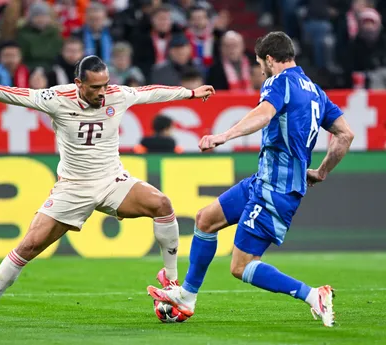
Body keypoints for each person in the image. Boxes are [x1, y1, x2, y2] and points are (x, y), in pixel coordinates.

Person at [0, 55, 215, 325]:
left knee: (162, 204)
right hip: (73, 189)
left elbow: (152, 92)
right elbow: (9, 93)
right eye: (95, 87)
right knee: (29, 247)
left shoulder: (118, 94)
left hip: (112, 181)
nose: (102, 92)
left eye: (105, 85)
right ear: (78, 83)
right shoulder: (56, 99)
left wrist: (190, 93)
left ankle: (170, 279)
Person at [147, 31, 355, 328]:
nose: (260, 69)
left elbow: (263, 114)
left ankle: (313, 295)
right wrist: (321, 172)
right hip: (264, 180)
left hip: (276, 189)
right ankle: (187, 297)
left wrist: (223, 136)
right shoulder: (314, 91)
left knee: (241, 266)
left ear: (270, 59)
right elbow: (346, 134)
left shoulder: (279, 82)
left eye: (260, 63)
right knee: (205, 218)